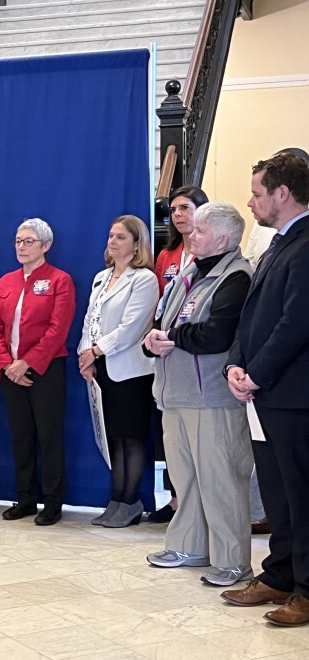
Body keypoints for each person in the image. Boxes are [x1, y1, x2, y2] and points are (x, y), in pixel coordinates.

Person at [143, 202, 253, 586]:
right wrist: (151, 339)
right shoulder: (189, 271)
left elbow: (217, 335)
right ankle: (190, 544)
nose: (191, 234)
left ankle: (233, 560)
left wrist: (169, 337)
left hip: (213, 398)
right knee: (185, 477)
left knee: (220, 479)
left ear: (222, 238)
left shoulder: (236, 277)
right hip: (175, 393)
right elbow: (162, 321)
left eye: (201, 230)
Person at [221, 153, 309, 626]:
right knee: (276, 494)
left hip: (293, 394)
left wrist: (257, 373)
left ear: (282, 193)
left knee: (301, 494)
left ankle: (307, 589)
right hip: (264, 390)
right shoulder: (278, 243)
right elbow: (253, 316)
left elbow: (297, 323)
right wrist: (237, 364)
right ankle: (279, 573)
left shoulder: (306, 243)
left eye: (257, 192)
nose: (251, 201)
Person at [0, 218, 76, 525]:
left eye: (28, 241)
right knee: (20, 437)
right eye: (18, 241)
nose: (21, 247)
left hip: (46, 369)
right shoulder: (6, 282)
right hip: (11, 371)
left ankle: (52, 502)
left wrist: (27, 362)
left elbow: (57, 329)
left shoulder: (59, 280)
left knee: (49, 437)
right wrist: (7, 365)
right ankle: (24, 498)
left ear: (46, 246)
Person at [77, 215, 158, 528]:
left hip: (131, 370)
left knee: (131, 437)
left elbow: (132, 327)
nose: (112, 241)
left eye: (121, 237)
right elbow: (90, 320)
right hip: (101, 368)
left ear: (136, 244)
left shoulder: (144, 279)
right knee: (113, 438)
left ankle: (130, 501)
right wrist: (86, 354)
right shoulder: (101, 277)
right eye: (111, 235)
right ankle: (116, 499)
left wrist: (96, 350)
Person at [149, 185, 209, 523]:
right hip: (167, 349)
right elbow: (160, 301)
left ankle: (199, 500)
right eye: (174, 210)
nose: (178, 216)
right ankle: (175, 499)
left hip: (197, 349)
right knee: (169, 431)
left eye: (185, 208)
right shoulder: (167, 255)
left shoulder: (214, 251)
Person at [242, 147, 309, 268]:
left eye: (257, 195)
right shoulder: (263, 222)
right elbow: (249, 263)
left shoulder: (303, 248)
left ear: (282, 193)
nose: (250, 203)